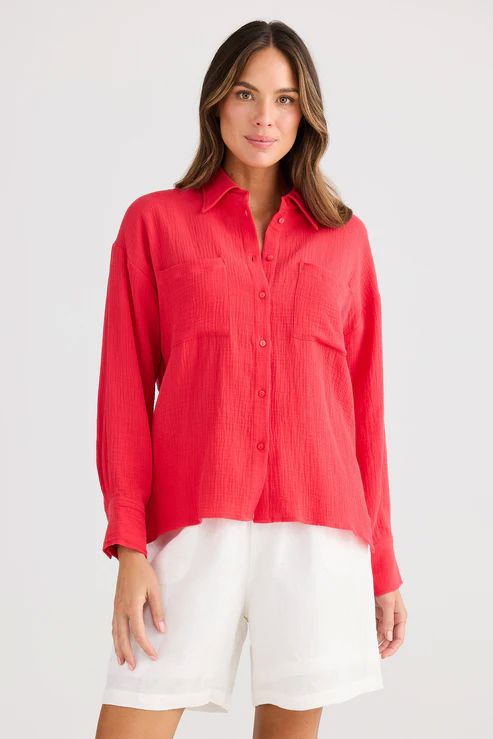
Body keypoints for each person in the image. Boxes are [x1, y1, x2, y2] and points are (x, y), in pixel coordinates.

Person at [94, 19, 407, 739]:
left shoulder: (345, 239)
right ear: (216, 102)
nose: (265, 117)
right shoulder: (154, 224)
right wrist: (130, 546)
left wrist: (383, 563)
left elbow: (364, 410)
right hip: (192, 521)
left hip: (318, 531)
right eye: (245, 94)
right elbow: (123, 394)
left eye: (285, 99)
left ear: (306, 113)